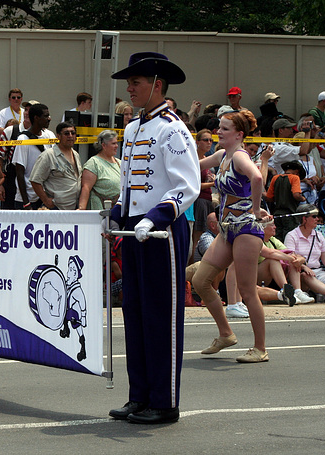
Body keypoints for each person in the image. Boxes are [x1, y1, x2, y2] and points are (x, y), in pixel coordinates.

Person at [107, 52, 200, 425]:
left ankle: (165, 401)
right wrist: (115, 214)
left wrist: (155, 216)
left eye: (136, 82)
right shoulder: (131, 129)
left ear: (157, 86)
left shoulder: (173, 128)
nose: (129, 88)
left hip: (162, 231)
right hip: (134, 230)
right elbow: (128, 185)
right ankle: (140, 395)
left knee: (162, 316)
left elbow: (187, 186)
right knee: (135, 312)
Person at [194, 109, 271, 363]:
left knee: (248, 291)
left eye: (225, 129)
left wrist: (258, 208)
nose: (219, 131)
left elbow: (257, 176)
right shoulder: (221, 156)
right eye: (219, 127)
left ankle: (260, 348)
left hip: (247, 229)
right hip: (228, 228)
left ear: (239, 135)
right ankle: (226, 333)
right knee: (201, 280)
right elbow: (194, 165)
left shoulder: (239, 157)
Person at [30, 121, 82, 210]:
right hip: (57, 207)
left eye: (73, 133)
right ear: (58, 136)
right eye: (66, 133)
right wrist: (46, 200)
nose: (70, 136)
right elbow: (35, 180)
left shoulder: (76, 154)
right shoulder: (48, 155)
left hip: (74, 206)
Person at [12, 103, 55, 210]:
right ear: (36, 118)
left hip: (44, 197)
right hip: (27, 199)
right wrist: (26, 203)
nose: (49, 119)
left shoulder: (49, 136)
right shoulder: (23, 139)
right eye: (46, 116)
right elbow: (20, 172)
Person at [77, 129, 121, 210]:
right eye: (113, 143)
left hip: (116, 209)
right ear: (104, 145)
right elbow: (86, 188)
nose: (117, 146)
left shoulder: (119, 163)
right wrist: (81, 209)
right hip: (99, 209)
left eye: (116, 143)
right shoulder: (93, 163)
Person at [192, 128, 215, 259]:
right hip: (199, 200)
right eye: (205, 140)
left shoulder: (208, 159)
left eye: (211, 140)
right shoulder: (194, 159)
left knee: (203, 236)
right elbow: (194, 185)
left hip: (208, 199)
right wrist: (213, 184)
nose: (209, 142)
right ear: (197, 142)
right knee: (197, 237)